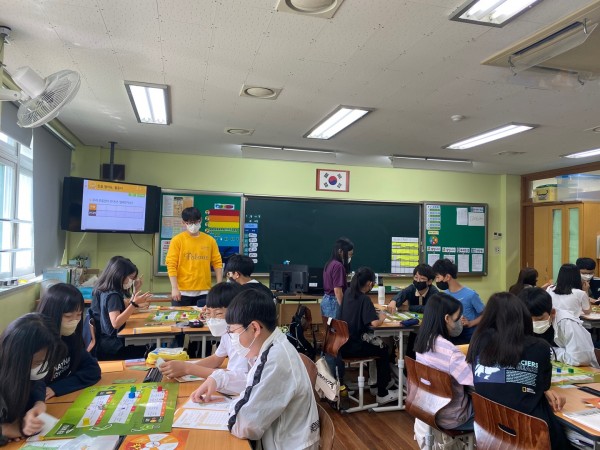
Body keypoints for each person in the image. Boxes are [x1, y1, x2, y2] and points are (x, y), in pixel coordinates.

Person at [191, 289, 320, 450]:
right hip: (283, 438)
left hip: (287, 445)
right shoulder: (272, 345)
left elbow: (244, 425)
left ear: (254, 328)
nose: (232, 338)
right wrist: (218, 378)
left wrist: (233, 407)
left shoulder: (274, 360)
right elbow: (250, 385)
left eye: (233, 332)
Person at [466, 292, 572, 450]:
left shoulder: (478, 342)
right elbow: (544, 385)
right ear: (523, 316)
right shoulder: (539, 347)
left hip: (491, 433)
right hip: (533, 435)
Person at [160, 282, 248, 395]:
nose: (212, 319)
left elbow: (241, 379)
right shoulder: (227, 332)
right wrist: (181, 367)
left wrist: (187, 368)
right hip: (228, 388)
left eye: (218, 313)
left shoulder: (244, 337)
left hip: (238, 392)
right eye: (209, 313)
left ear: (236, 311)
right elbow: (216, 359)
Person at [414, 292, 473, 430]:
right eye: (457, 318)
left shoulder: (423, 341)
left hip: (428, 409)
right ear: (447, 318)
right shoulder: (450, 352)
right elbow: (474, 381)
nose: (460, 322)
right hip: (452, 417)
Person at [338, 267, 398, 404]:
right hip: (355, 346)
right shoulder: (364, 299)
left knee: (377, 346)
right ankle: (382, 393)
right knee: (383, 350)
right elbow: (375, 323)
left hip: (343, 344)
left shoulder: (348, 292)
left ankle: (375, 384)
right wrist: (381, 317)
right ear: (370, 283)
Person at [0, 313, 61, 442]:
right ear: (18, 358)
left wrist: (38, 404)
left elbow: (37, 383)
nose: (44, 367)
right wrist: (4, 430)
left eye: (47, 361)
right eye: (38, 363)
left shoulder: (24, 373)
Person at [37, 283, 101, 399]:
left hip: (59, 398)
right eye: (68, 316)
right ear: (51, 313)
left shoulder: (71, 337)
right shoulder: (38, 345)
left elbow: (92, 369)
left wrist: (57, 388)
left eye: (79, 315)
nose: (74, 321)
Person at [90, 256, 152, 360]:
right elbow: (116, 323)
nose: (131, 281)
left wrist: (135, 291)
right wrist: (134, 304)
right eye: (131, 278)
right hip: (113, 347)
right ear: (120, 275)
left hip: (105, 344)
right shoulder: (113, 295)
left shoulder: (105, 290)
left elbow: (124, 308)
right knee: (150, 350)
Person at [519, 287, 599, 368]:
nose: (534, 323)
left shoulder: (567, 322)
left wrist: (547, 351)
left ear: (552, 312)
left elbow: (580, 359)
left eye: (540, 319)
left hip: (583, 370)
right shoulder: (519, 321)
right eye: (529, 320)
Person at [166, 207, 223, 307]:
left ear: (201, 220)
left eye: (196, 222)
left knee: (205, 316)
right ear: (183, 222)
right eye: (189, 223)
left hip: (204, 292)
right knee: (180, 317)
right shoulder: (177, 240)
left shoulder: (210, 240)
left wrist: (219, 284)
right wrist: (174, 288)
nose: (193, 225)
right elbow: (171, 265)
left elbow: (217, 263)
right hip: (182, 292)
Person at [432, 258, 484, 344]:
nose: (436, 280)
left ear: (447, 277)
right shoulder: (445, 295)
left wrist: (470, 323)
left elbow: (486, 315)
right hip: (452, 335)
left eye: (437, 277)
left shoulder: (471, 294)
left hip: (469, 337)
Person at [321, 237, 354, 319]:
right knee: (337, 326)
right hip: (334, 303)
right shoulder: (338, 266)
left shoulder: (330, 263)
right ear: (340, 251)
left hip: (326, 300)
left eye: (351, 255)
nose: (350, 257)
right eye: (349, 254)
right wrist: (345, 309)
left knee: (329, 326)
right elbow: (338, 291)